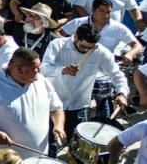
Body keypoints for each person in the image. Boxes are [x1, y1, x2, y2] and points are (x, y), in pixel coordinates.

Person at [41, 22, 129, 154]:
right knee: (49, 145)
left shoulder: (100, 51)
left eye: (90, 48)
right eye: (83, 46)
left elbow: (117, 74)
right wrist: (62, 70)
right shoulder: (57, 44)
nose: (86, 50)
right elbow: (43, 69)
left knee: (78, 148)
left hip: (79, 106)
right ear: (76, 37)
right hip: (53, 105)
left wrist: (122, 93)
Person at [0, 48, 65, 159]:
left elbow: (56, 107)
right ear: (19, 69)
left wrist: (58, 126)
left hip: (38, 157)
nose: (39, 71)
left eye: (38, 66)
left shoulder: (41, 81)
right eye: (34, 68)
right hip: (4, 159)